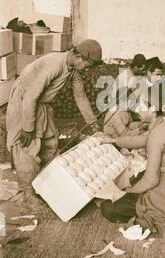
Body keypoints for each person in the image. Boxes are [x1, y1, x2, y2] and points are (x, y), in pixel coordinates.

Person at [6, 39, 103, 212]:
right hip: (24, 103)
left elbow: (80, 97)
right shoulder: (54, 64)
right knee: (28, 148)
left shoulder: (72, 70)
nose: (87, 69)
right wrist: (28, 127)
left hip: (41, 104)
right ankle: (28, 196)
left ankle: (45, 188)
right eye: (88, 64)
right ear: (79, 56)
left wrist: (94, 124)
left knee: (50, 144)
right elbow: (30, 98)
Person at [100, 86, 165, 234]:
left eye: (140, 105)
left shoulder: (157, 136)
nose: (136, 109)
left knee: (108, 207)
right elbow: (141, 140)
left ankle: (143, 203)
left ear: (152, 108)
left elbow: (151, 180)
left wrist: (127, 192)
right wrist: (114, 141)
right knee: (138, 178)